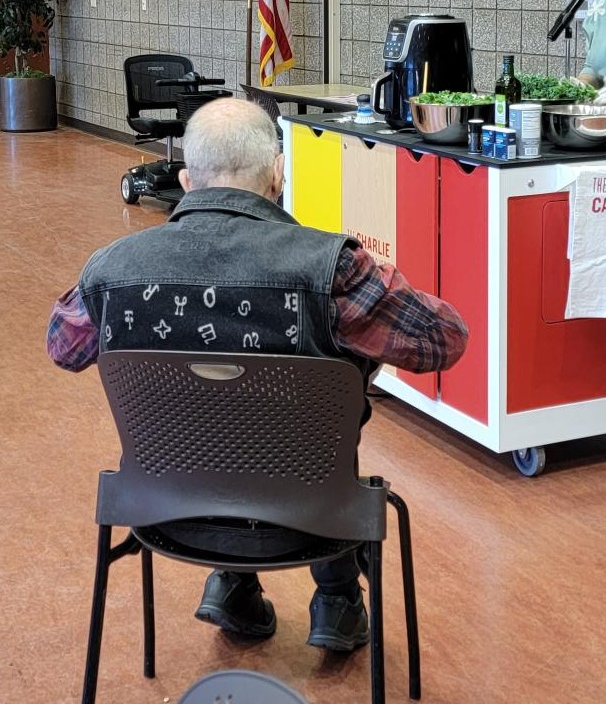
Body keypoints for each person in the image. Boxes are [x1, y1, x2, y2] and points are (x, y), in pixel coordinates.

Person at [47, 98, 468, 651]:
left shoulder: (112, 270)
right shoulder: (333, 267)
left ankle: (232, 586)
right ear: (278, 172)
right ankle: (337, 600)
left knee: (220, 413)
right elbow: (443, 340)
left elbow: (63, 346)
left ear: (185, 178)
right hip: (314, 513)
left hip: (166, 508)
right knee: (319, 397)